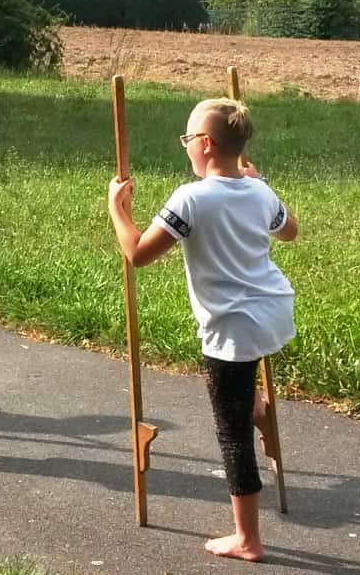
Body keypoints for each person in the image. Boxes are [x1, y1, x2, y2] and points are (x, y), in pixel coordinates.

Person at [107, 98, 298, 562]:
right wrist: (260, 183)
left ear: (207, 145)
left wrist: (118, 208)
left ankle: (248, 540)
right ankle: (250, 399)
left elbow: (137, 253)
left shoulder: (190, 198)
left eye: (187, 138)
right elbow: (289, 231)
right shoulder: (258, 190)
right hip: (273, 311)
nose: (186, 146)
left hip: (232, 327)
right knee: (239, 387)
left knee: (231, 433)